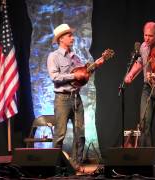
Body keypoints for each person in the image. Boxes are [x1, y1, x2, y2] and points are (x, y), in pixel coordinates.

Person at [47, 24, 104, 171]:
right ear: (61, 39)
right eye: (69, 35)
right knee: (60, 134)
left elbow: (83, 75)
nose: (72, 38)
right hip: (62, 99)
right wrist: (73, 75)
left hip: (76, 98)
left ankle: (76, 164)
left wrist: (94, 66)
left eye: (72, 35)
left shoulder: (75, 57)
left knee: (80, 133)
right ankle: (55, 166)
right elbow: (54, 77)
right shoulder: (54, 56)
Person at [124, 22, 155, 162]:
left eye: (150, 36)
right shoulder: (143, 47)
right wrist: (131, 74)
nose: (146, 39)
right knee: (144, 122)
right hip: (147, 87)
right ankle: (147, 158)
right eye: (145, 35)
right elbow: (140, 61)